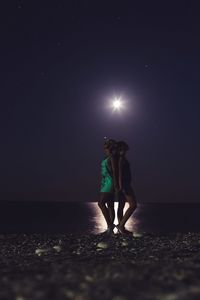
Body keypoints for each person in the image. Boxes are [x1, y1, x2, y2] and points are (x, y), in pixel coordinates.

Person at [98, 139, 119, 234]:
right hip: (104, 182)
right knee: (110, 205)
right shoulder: (106, 157)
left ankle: (110, 225)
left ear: (110, 147)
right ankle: (109, 229)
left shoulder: (112, 158)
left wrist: (116, 184)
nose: (104, 147)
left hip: (110, 182)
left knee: (101, 203)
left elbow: (115, 172)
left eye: (106, 145)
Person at [116, 141, 137, 234]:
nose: (125, 151)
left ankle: (121, 227)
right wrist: (121, 186)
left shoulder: (121, 158)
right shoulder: (120, 159)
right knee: (133, 205)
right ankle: (121, 226)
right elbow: (119, 174)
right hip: (124, 185)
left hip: (124, 184)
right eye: (123, 149)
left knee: (121, 205)